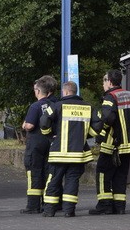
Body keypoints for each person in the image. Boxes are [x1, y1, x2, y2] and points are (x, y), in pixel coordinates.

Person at [90, 69, 130, 215]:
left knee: (103, 173)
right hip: (127, 144)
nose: (103, 83)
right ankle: (120, 206)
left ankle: (105, 205)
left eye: (104, 80)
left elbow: (108, 118)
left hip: (112, 143)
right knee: (121, 174)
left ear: (110, 82)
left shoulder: (110, 97)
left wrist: (100, 132)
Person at [39, 81, 102, 217]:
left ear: (65, 92)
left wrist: (50, 136)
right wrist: (85, 135)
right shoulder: (88, 107)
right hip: (78, 154)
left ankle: (49, 210)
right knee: (72, 181)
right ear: (75, 91)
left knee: (54, 180)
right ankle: (69, 210)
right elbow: (98, 126)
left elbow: (44, 122)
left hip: (59, 153)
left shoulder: (56, 106)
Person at [19, 75, 58, 214]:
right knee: (49, 173)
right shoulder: (57, 104)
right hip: (52, 143)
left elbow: (29, 125)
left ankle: (33, 205)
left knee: (34, 172)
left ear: (38, 91)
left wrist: (24, 124)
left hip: (36, 144)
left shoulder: (36, 106)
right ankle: (50, 203)